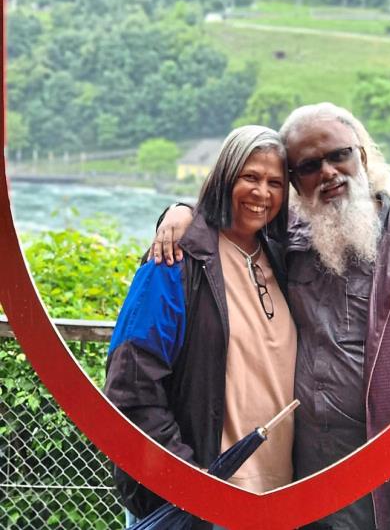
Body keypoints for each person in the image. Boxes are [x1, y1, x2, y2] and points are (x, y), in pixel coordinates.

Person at [156, 104, 390, 530]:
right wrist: (182, 211)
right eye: (309, 166)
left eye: (338, 155)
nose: (328, 172)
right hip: (308, 489)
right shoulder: (291, 245)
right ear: (295, 183)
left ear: (362, 156)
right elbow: (238, 214)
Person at [105, 126, 297, 529]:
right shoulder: (177, 258)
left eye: (275, 182)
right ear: (225, 176)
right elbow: (131, 384)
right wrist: (190, 482)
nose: (262, 193)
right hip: (200, 501)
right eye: (250, 177)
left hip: (277, 501)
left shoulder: (284, 262)